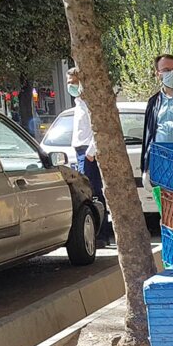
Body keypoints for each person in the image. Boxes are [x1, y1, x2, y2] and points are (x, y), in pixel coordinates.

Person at [66, 67, 113, 246]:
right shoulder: (78, 103)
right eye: (69, 83)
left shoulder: (88, 103)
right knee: (88, 192)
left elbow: (98, 127)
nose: (70, 86)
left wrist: (91, 152)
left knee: (93, 192)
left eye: (73, 82)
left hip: (87, 152)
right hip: (80, 151)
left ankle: (101, 235)